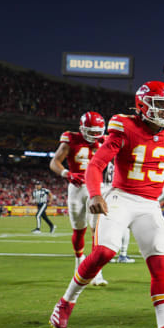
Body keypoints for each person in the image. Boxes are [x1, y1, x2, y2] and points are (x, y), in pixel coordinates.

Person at [49, 81, 164, 328]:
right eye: (159, 105)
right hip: (121, 198)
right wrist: (94, 194)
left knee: (159, 262)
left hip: (150, 204)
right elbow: (97, 164)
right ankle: (66, 302)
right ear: (142, 105)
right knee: (103, 252)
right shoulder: (125, 126)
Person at [49, 111, 110, 285]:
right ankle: (78, 262)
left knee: (96, 229)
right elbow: (54, 162)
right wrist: (67, 173)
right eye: (90, 132)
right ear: (82, 129)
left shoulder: (105, 140)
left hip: (97, 189)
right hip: (76, 188)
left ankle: (96, 272)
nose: (93, 136)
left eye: (96, 132)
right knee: (79, 229)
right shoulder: (70, 139)